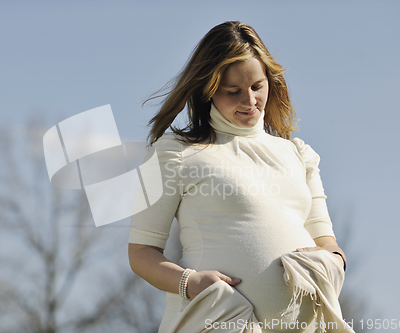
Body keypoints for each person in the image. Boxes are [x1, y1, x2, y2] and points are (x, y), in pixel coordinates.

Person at [128, 21, 348, 333]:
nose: (249, 101)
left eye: (257, 87)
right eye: (233, 92)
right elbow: (140, 253)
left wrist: (335, 262)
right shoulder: (172, 153)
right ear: (208, 90)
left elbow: (326, 241)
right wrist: (189, 283)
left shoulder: (299, 155)